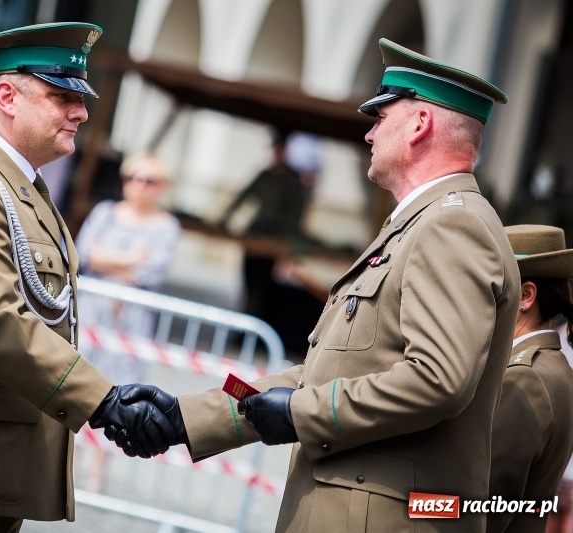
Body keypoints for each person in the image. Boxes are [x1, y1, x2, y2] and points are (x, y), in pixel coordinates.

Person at [114, 38, 521, 532]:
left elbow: (437, 380)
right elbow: (322, 374)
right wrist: (187, 416)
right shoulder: (422, 223)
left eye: (380, 118)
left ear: (419, 125)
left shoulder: (452, 225)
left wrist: (302, 413)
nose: (369, 134)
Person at [0, 23, 176, 532]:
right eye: (62, 96)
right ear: (6, 97)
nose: (81, 112)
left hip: (1, 459)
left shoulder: (25, 187)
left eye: (80, 99)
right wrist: (103, 400)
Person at [487, 225, 573, 533]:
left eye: (491, 285)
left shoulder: (524, 377)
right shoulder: (552, 365)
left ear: (525, 296)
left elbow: (483, 503)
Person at [76, 152, 181, 335]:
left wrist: (103, 259)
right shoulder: (104, 212)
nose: (138, 185)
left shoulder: (167, 226)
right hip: (89, 311)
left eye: (149, 181)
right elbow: (84, 255)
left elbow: (152, 273)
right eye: (132, 178)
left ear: (163, 186)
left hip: (133, 319)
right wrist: (133, 259)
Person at [220, 129, 308, 319]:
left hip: (274, 239)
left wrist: (288, 243)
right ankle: (245, 320)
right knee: (248, 282)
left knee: (263, 287)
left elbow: (296, 213)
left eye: (280, 149)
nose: (276, 153)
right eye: (275, 148)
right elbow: (243, 196)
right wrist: (224, 220)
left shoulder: (292, 179)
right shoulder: (265, 175)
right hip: (256, 234)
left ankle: (255, 320)